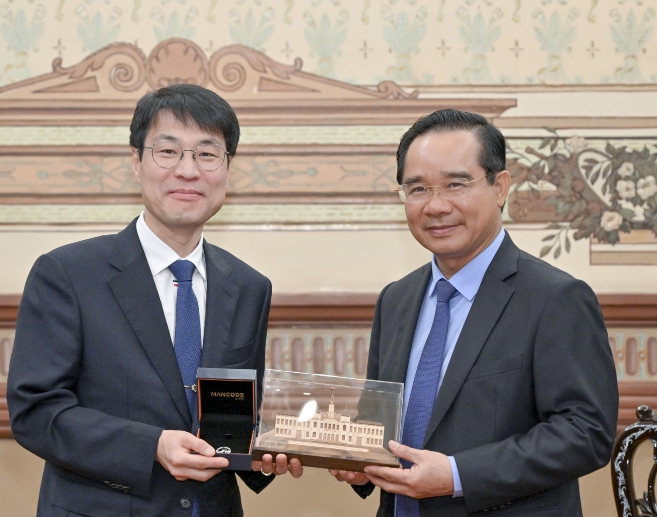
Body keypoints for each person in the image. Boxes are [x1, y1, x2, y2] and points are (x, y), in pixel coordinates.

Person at [7, 84, 302, 517]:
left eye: (207, 154)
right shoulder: (67, 273)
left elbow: (235, 416)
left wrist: (269, 451)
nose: (188, 170)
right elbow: (36, 412)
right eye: (168, 151)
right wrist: (152, 446)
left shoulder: (248, 286)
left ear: (228, 169)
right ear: (136, 162)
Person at [330, 109, 618, 516]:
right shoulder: (395, 299)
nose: (436, 206)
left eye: (455, 185)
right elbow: (379, 423)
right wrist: (356, 457)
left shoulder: (556, 297)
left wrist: (457, 475)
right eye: (418, 189)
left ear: (500, 187)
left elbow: (585, 432)